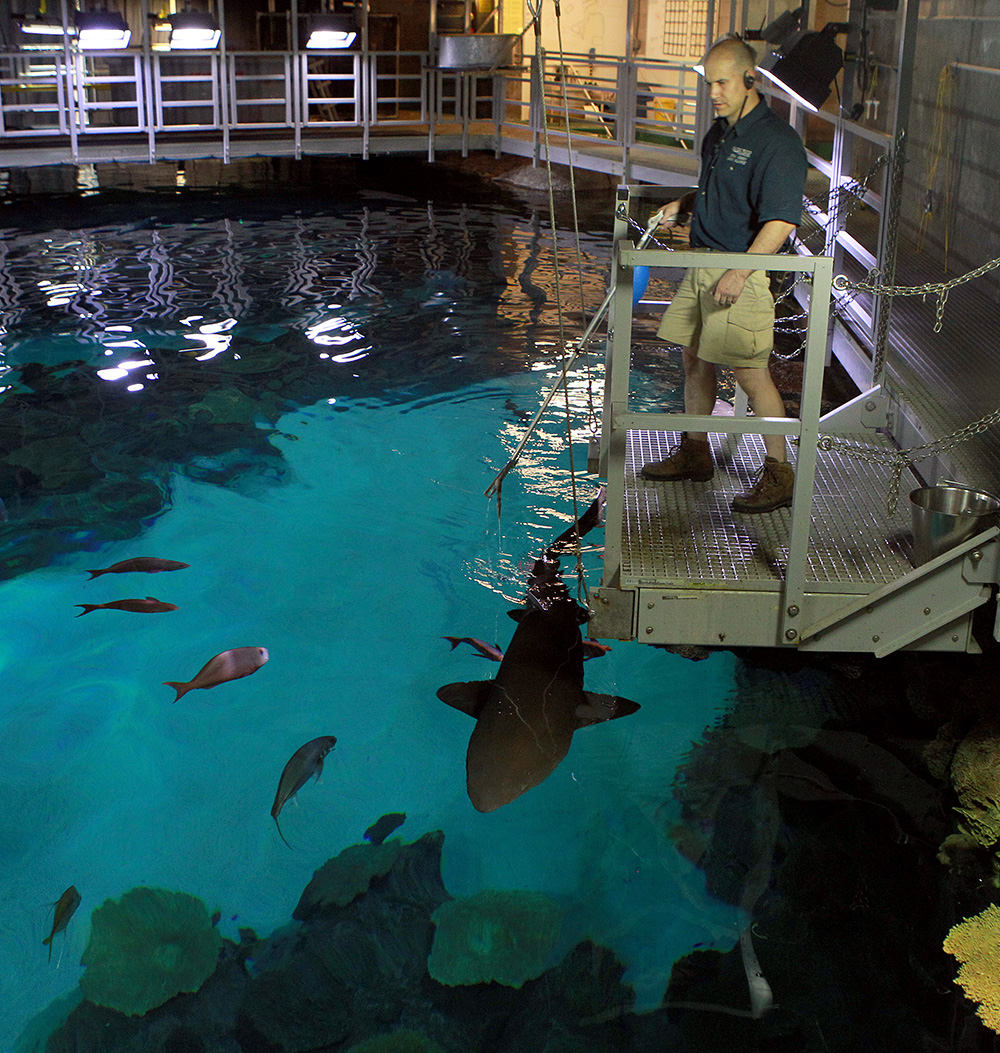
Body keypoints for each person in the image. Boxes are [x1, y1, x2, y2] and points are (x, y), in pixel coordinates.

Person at [641, 36, 807, 514]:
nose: (713, 92)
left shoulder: (777, 143)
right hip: (701, 265)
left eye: (721, 83)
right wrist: (686, 204)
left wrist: (741, 271)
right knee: (694, 359)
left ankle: (779, 474)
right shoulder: (719, 132)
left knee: (752, 373)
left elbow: (780, 221)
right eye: (708, 82)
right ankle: (696, 452)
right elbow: (719, 189)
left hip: (742, 273)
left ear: (750, 80)